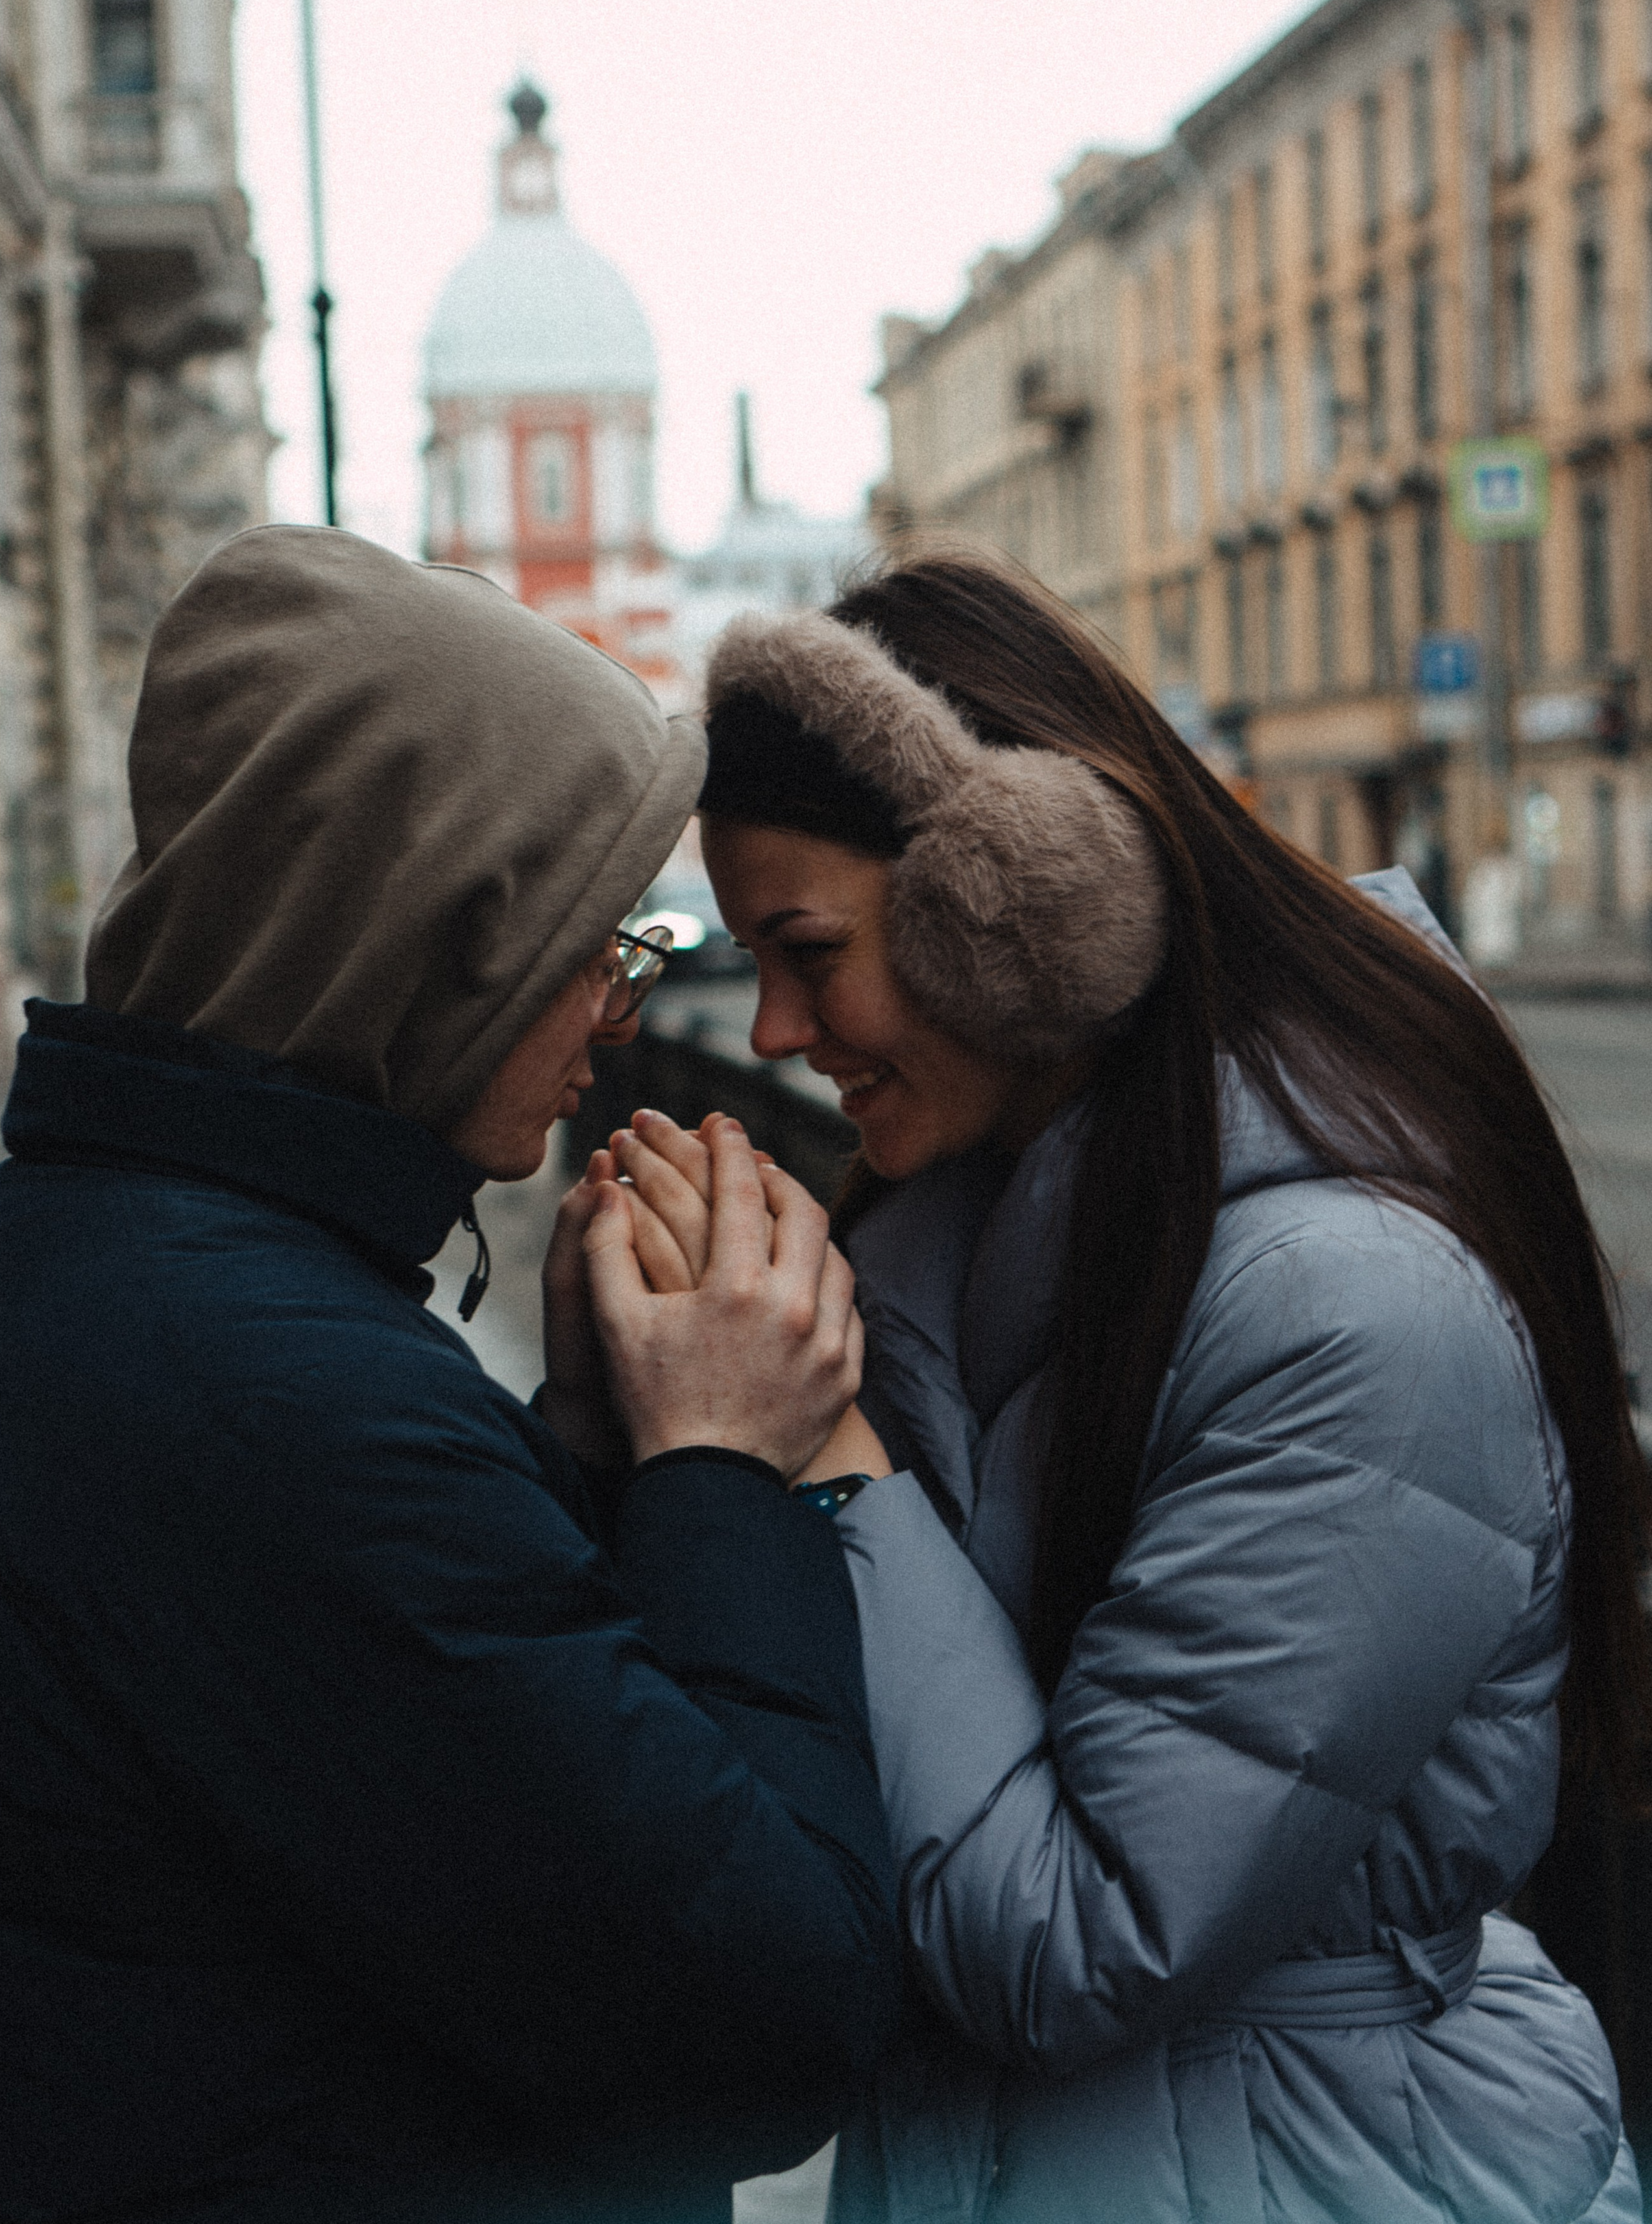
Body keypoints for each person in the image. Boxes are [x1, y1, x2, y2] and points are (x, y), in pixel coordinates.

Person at [608, 541, 1650, 2223]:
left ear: (1014, 900)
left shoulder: (1359, 1319)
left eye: (811, 952)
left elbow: (1081, 1943)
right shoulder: (973, 1217)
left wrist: (817, 1455)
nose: (779, 1036)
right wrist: (655, 1411)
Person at [0, 526, 900, 2224]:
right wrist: (722, 1467)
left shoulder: (113, 1261)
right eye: (606, 947)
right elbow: (768, 2014)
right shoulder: (280, 1402)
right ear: (453, 936)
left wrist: (578, 1453)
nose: (623, 1024)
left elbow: (406, 1788)